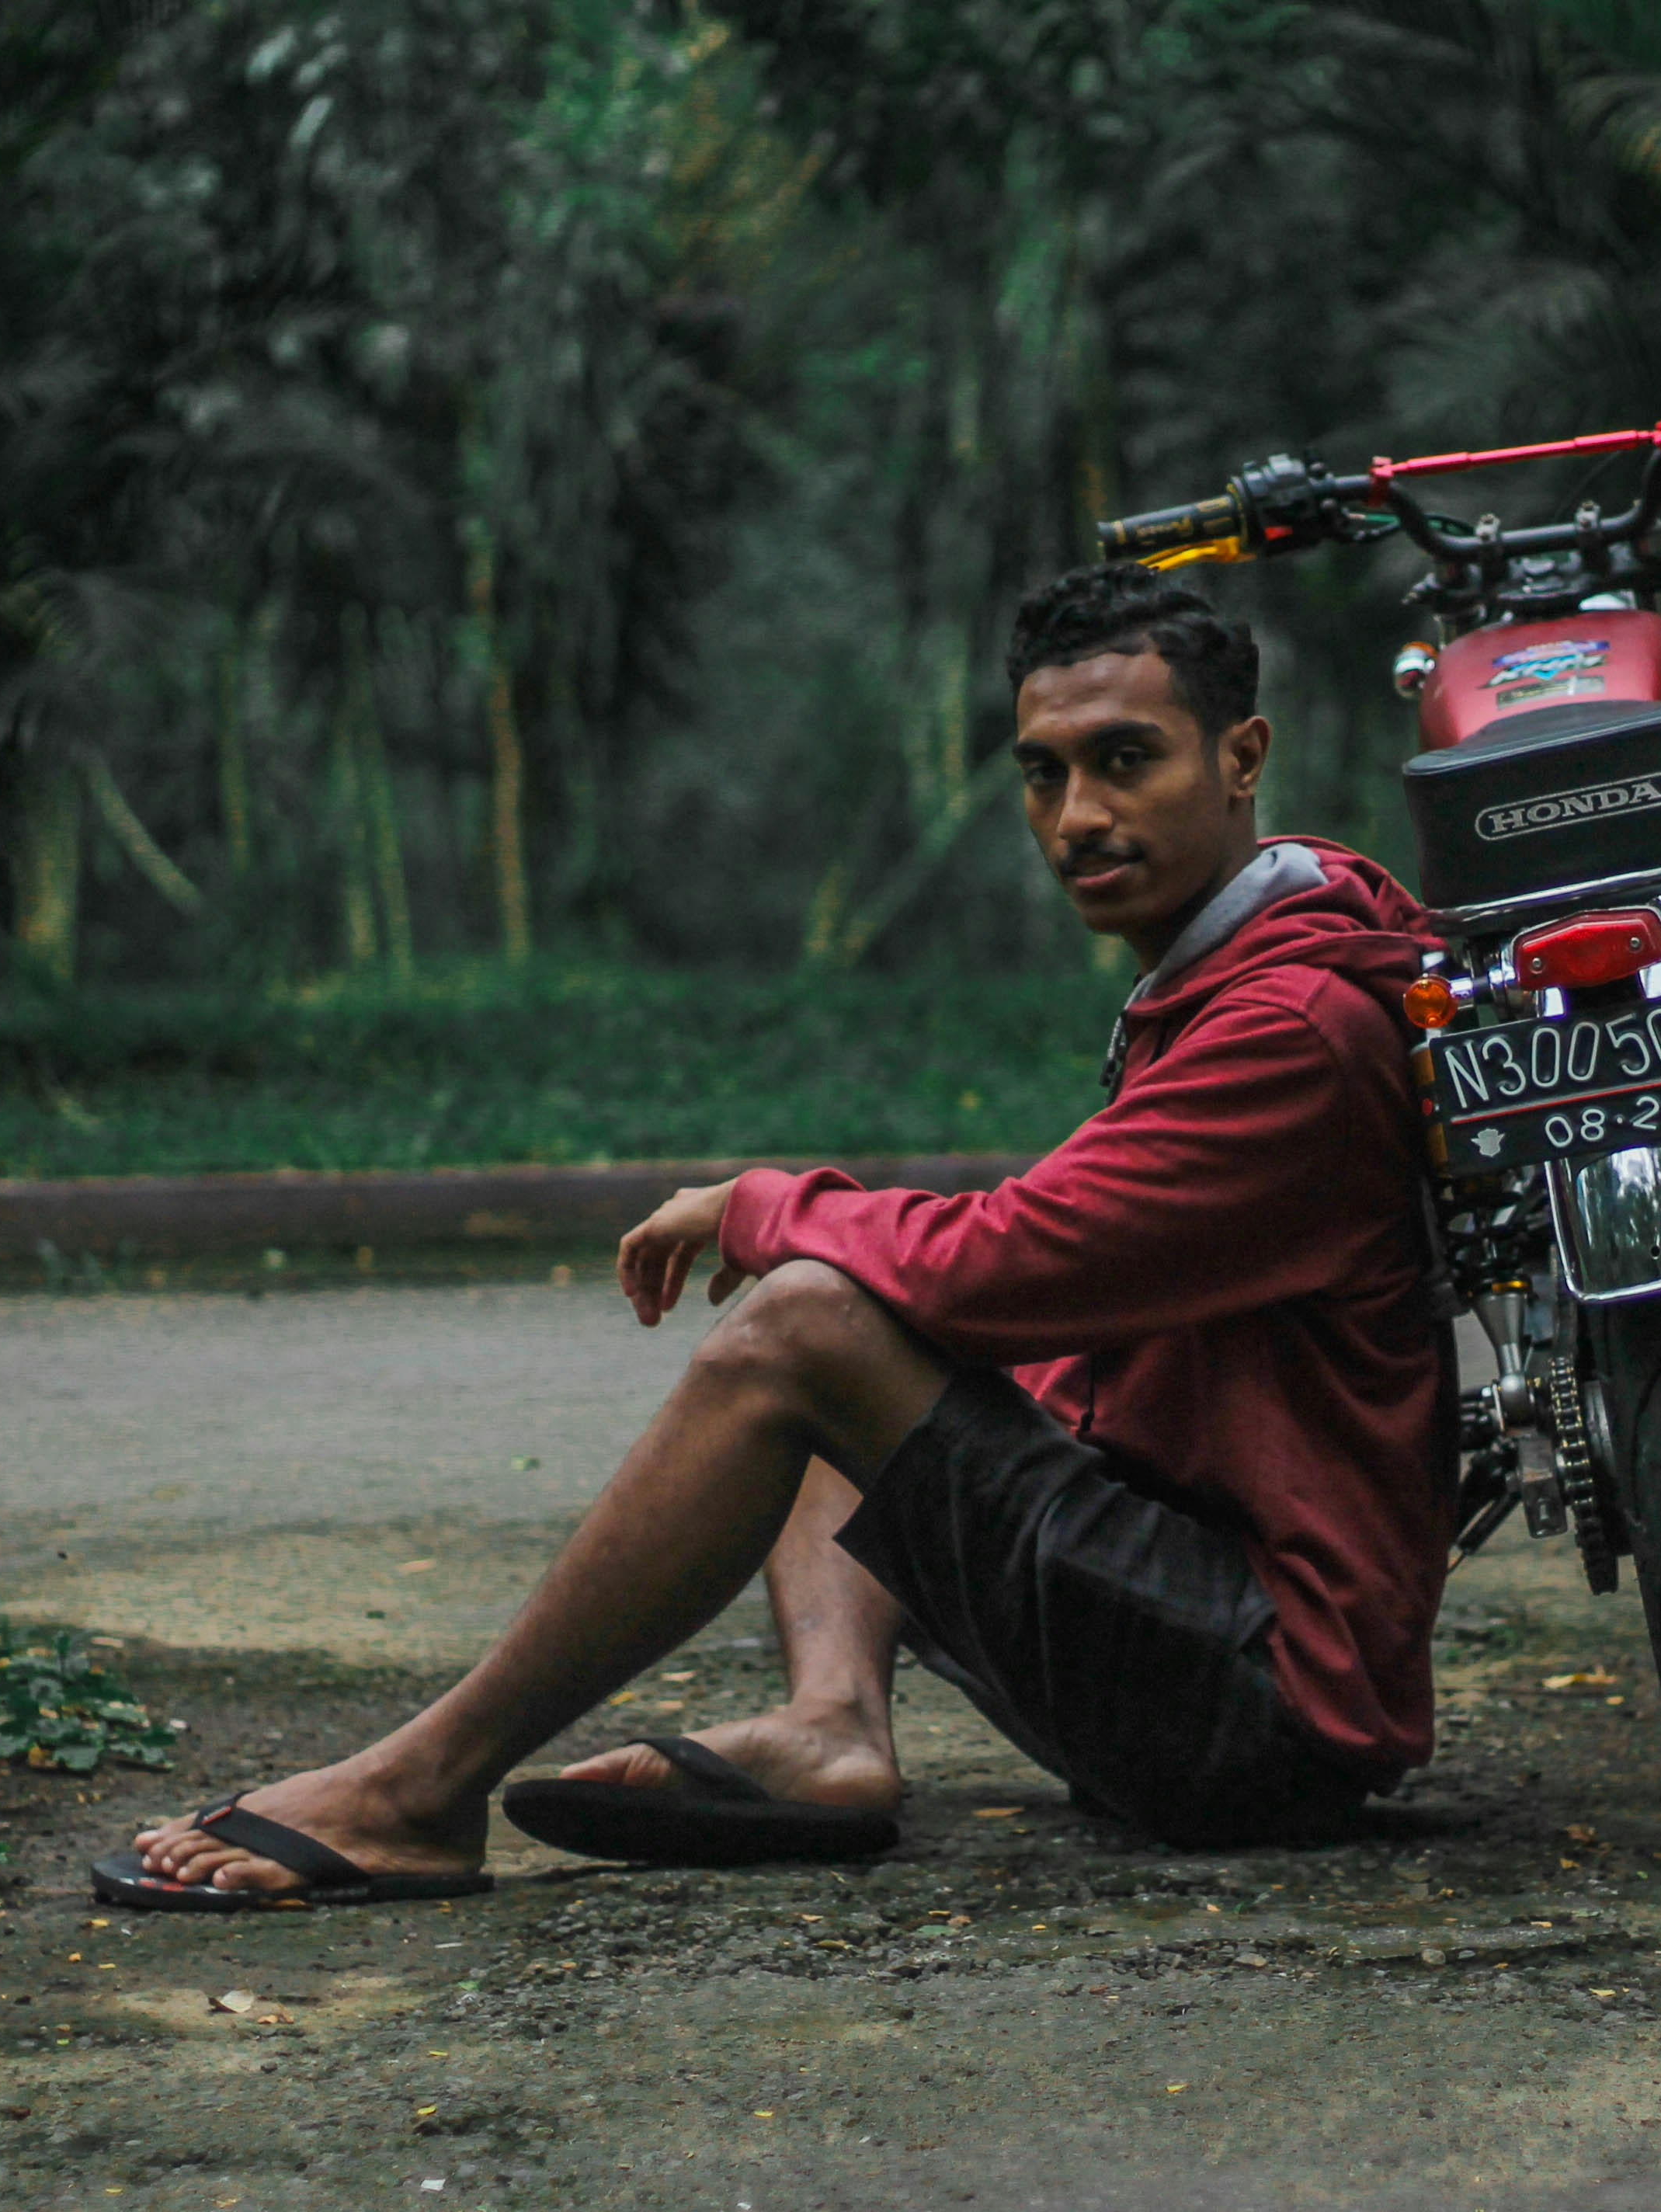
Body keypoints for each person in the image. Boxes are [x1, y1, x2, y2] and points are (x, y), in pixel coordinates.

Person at [96, 562, 1455, 1908]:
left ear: (1242, 757)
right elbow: (1031, 1300)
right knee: (857, 1306)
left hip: (1267, 1711)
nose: (1077, 817)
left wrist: (760, 1204)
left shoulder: (1289, 1026)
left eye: (1124, 761)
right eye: (1043, 774)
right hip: (1204, 1645)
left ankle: (417, 1791)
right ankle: (831, 1727)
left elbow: (1009, 1265)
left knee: (817, 1314)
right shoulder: (1244, 966)